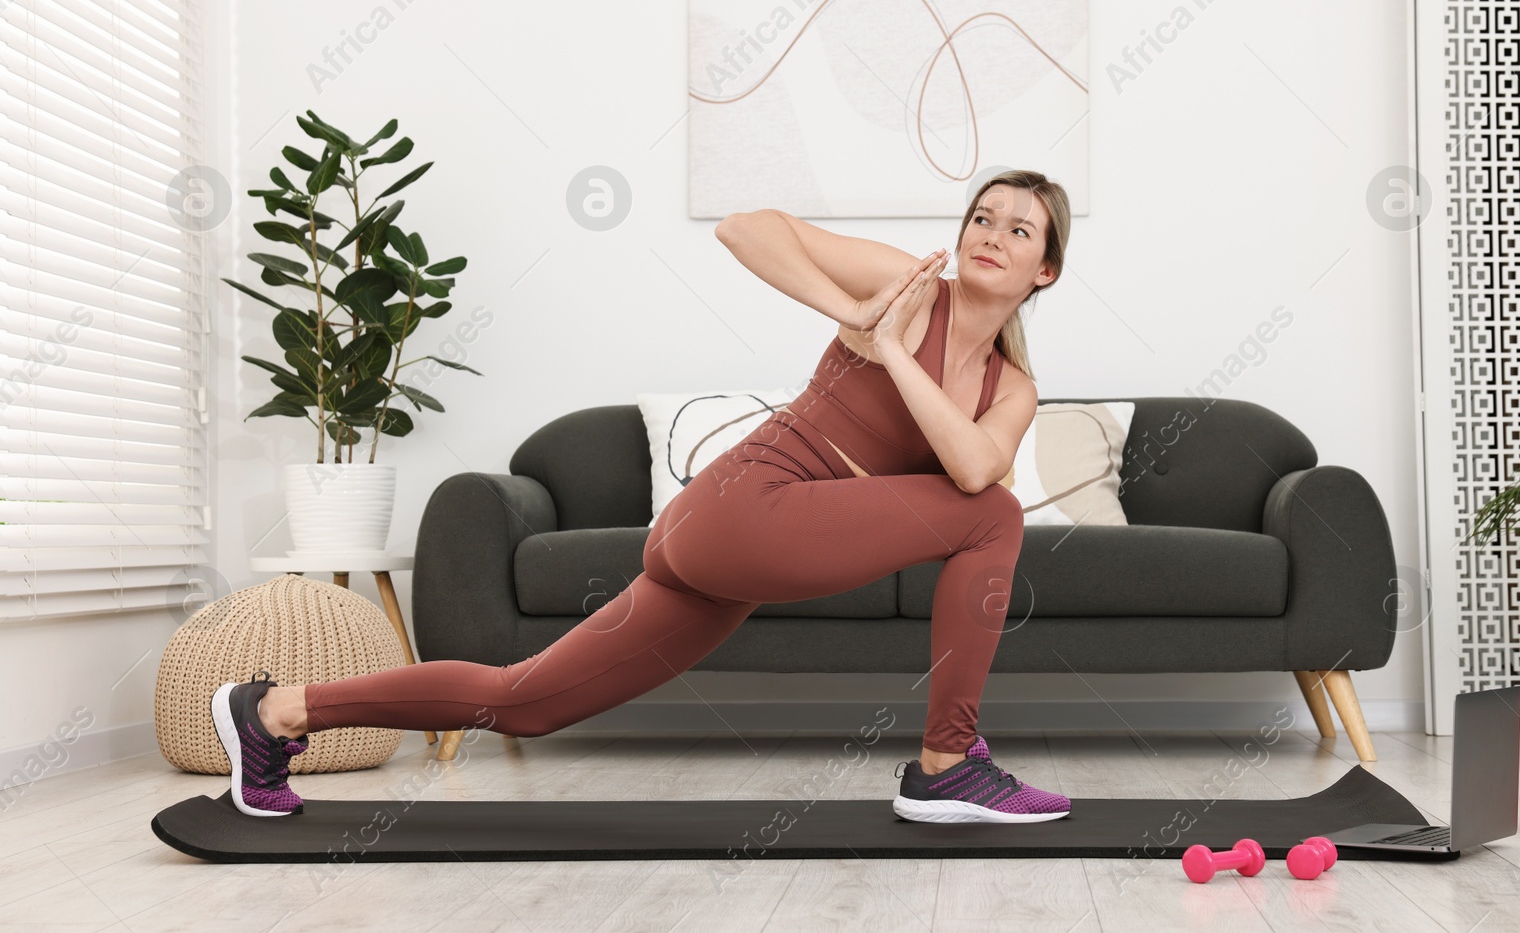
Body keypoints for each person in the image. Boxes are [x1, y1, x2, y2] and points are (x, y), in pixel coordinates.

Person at [210, 169, 1072, 824]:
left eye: (1019, 228)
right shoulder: (911, 285)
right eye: (981, 216)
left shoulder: (1012, 387)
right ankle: (946, 759)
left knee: (527, 701)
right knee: (992, 515)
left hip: (726, 562)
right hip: (746, 505)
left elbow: (969, 467)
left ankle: (278, 711)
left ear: (1047, 269)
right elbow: (747, 227)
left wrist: (881, 345)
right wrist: (851, 310)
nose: (991, 233)